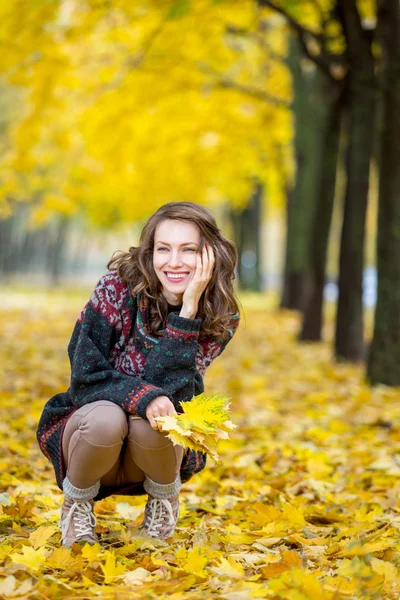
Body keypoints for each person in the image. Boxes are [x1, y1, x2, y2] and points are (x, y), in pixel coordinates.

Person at [36, 202, 240, 548]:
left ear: (209, 255)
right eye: (164, 249)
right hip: (89, 441)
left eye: (188, 250)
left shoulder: (219, 316)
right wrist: (142, 397)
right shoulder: (115, 289)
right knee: (107, 416)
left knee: (160, 418)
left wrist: (187, 314)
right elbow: (86, 377)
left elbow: (171, 398)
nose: (173, 261)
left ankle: (162, 503)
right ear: (151, 251)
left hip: (151, 455)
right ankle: (77, 509)